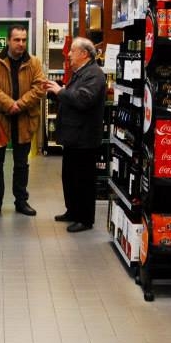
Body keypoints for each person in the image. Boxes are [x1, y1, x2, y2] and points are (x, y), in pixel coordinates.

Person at [0, 25, 47, 218]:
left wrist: (20, 104)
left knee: (21, 165)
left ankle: (21, 201)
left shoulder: (34, 62)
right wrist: (9, 104)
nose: (21, 44)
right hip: (0, 120)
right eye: (17, 40)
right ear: (8, 40)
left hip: (25, 120)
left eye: (24, 40)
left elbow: (40, 87)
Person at [44, 37, 106, 232]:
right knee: (70, 177)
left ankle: (85, 219)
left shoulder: (94, 74)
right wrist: (53, 92)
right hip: (74, 137)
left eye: (72, 51)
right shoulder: (80, 73)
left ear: (84, 54)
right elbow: (73, 97)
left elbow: (83, 99)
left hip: (85, 138)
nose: (68, 54)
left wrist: (61, 92)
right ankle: (72, 211)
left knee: (83, 180)